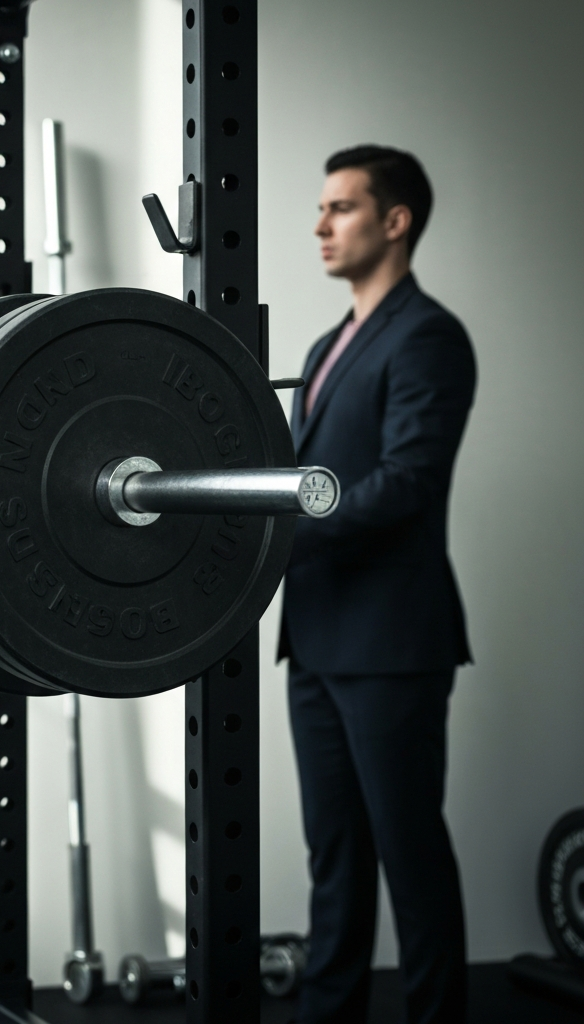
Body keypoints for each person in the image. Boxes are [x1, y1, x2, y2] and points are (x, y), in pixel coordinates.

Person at [278, 145, 476, 1024]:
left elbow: (407, 480)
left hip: (392, 640)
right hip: (316, 633)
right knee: (337, 859)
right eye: (321, 209)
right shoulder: (327, 345)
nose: (320, 225)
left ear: (395, 222)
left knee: (410, 855)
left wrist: (287, 527)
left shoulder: (429, 335)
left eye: (341, 208)